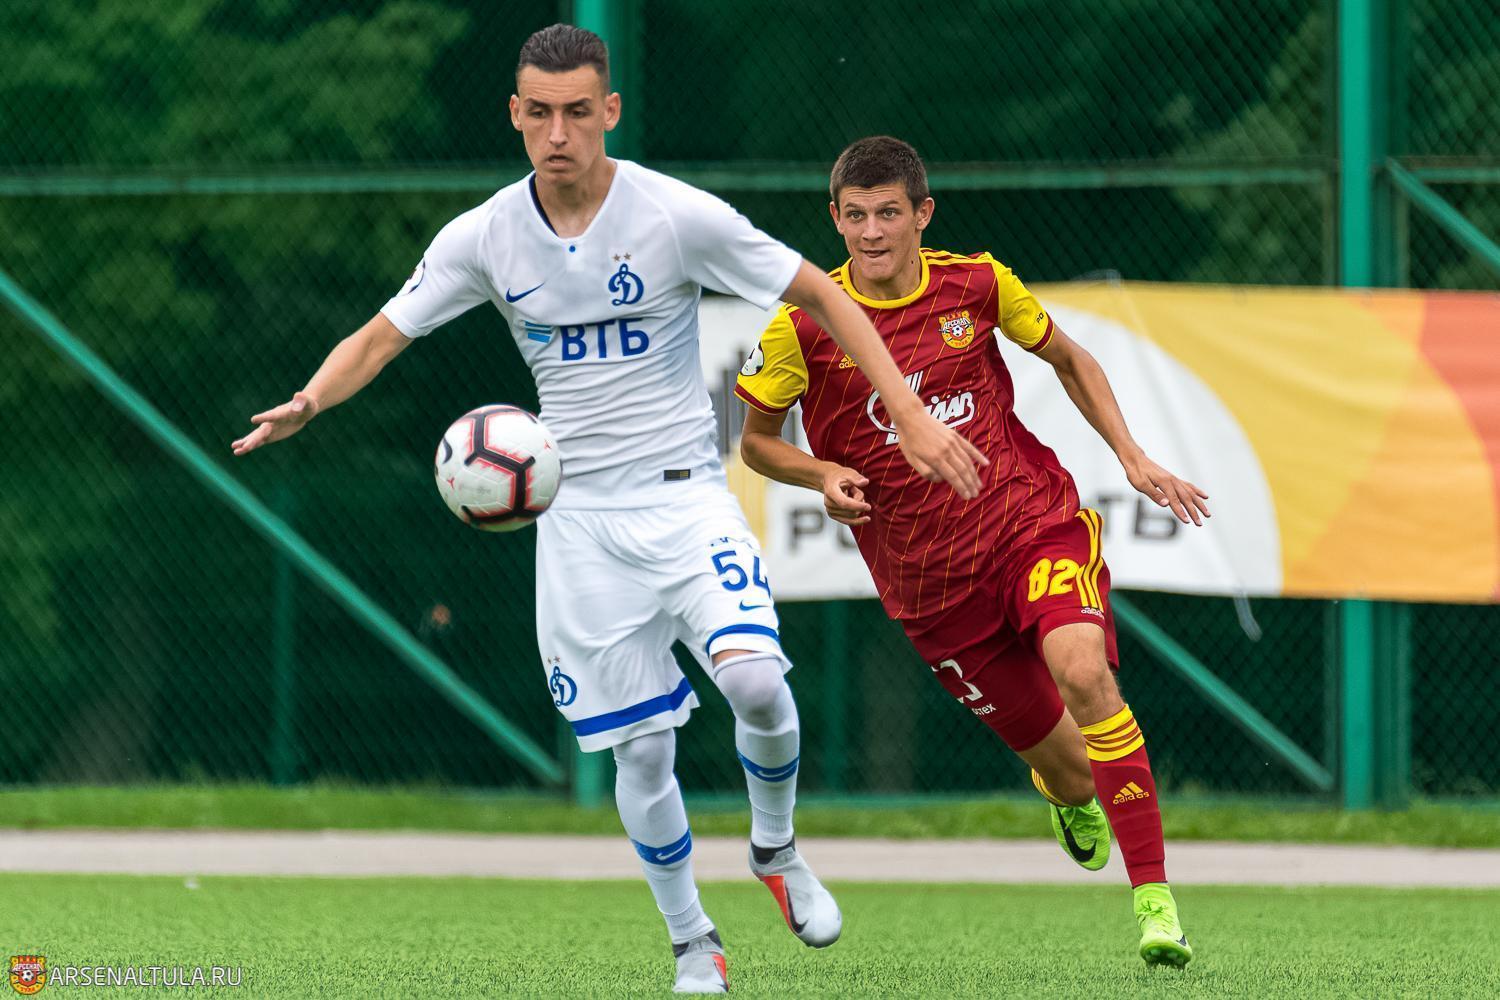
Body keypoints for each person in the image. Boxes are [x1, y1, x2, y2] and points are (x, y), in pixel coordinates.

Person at [232, 29, 985, 995]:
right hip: (577, 523)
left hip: (685, 500)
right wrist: (308, 399)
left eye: (578, 112)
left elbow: (823, 296)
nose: (559, 133)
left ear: (610, 112)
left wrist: (910, 413)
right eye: (540, 113)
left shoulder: (674, 216)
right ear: (515, 114)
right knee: (643, 747)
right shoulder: (485, 237)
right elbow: (382, 336)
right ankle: (692, 941)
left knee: (758, 685)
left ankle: (776, 849)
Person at [735, 135, 1209, 968]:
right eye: (856, 216)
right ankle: (1064, 793)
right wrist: (822, 473)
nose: (872, 232)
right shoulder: (801, 327)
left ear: (923, 213)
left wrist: (1132, 455)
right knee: (1074, 772)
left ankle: (1155, 905)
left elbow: (1070, 358)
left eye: (889, 213)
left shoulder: (977, 283)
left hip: (1029, 524)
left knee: (1084, 671)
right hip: (931, 593)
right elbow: (756, 443)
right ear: (835, 218)